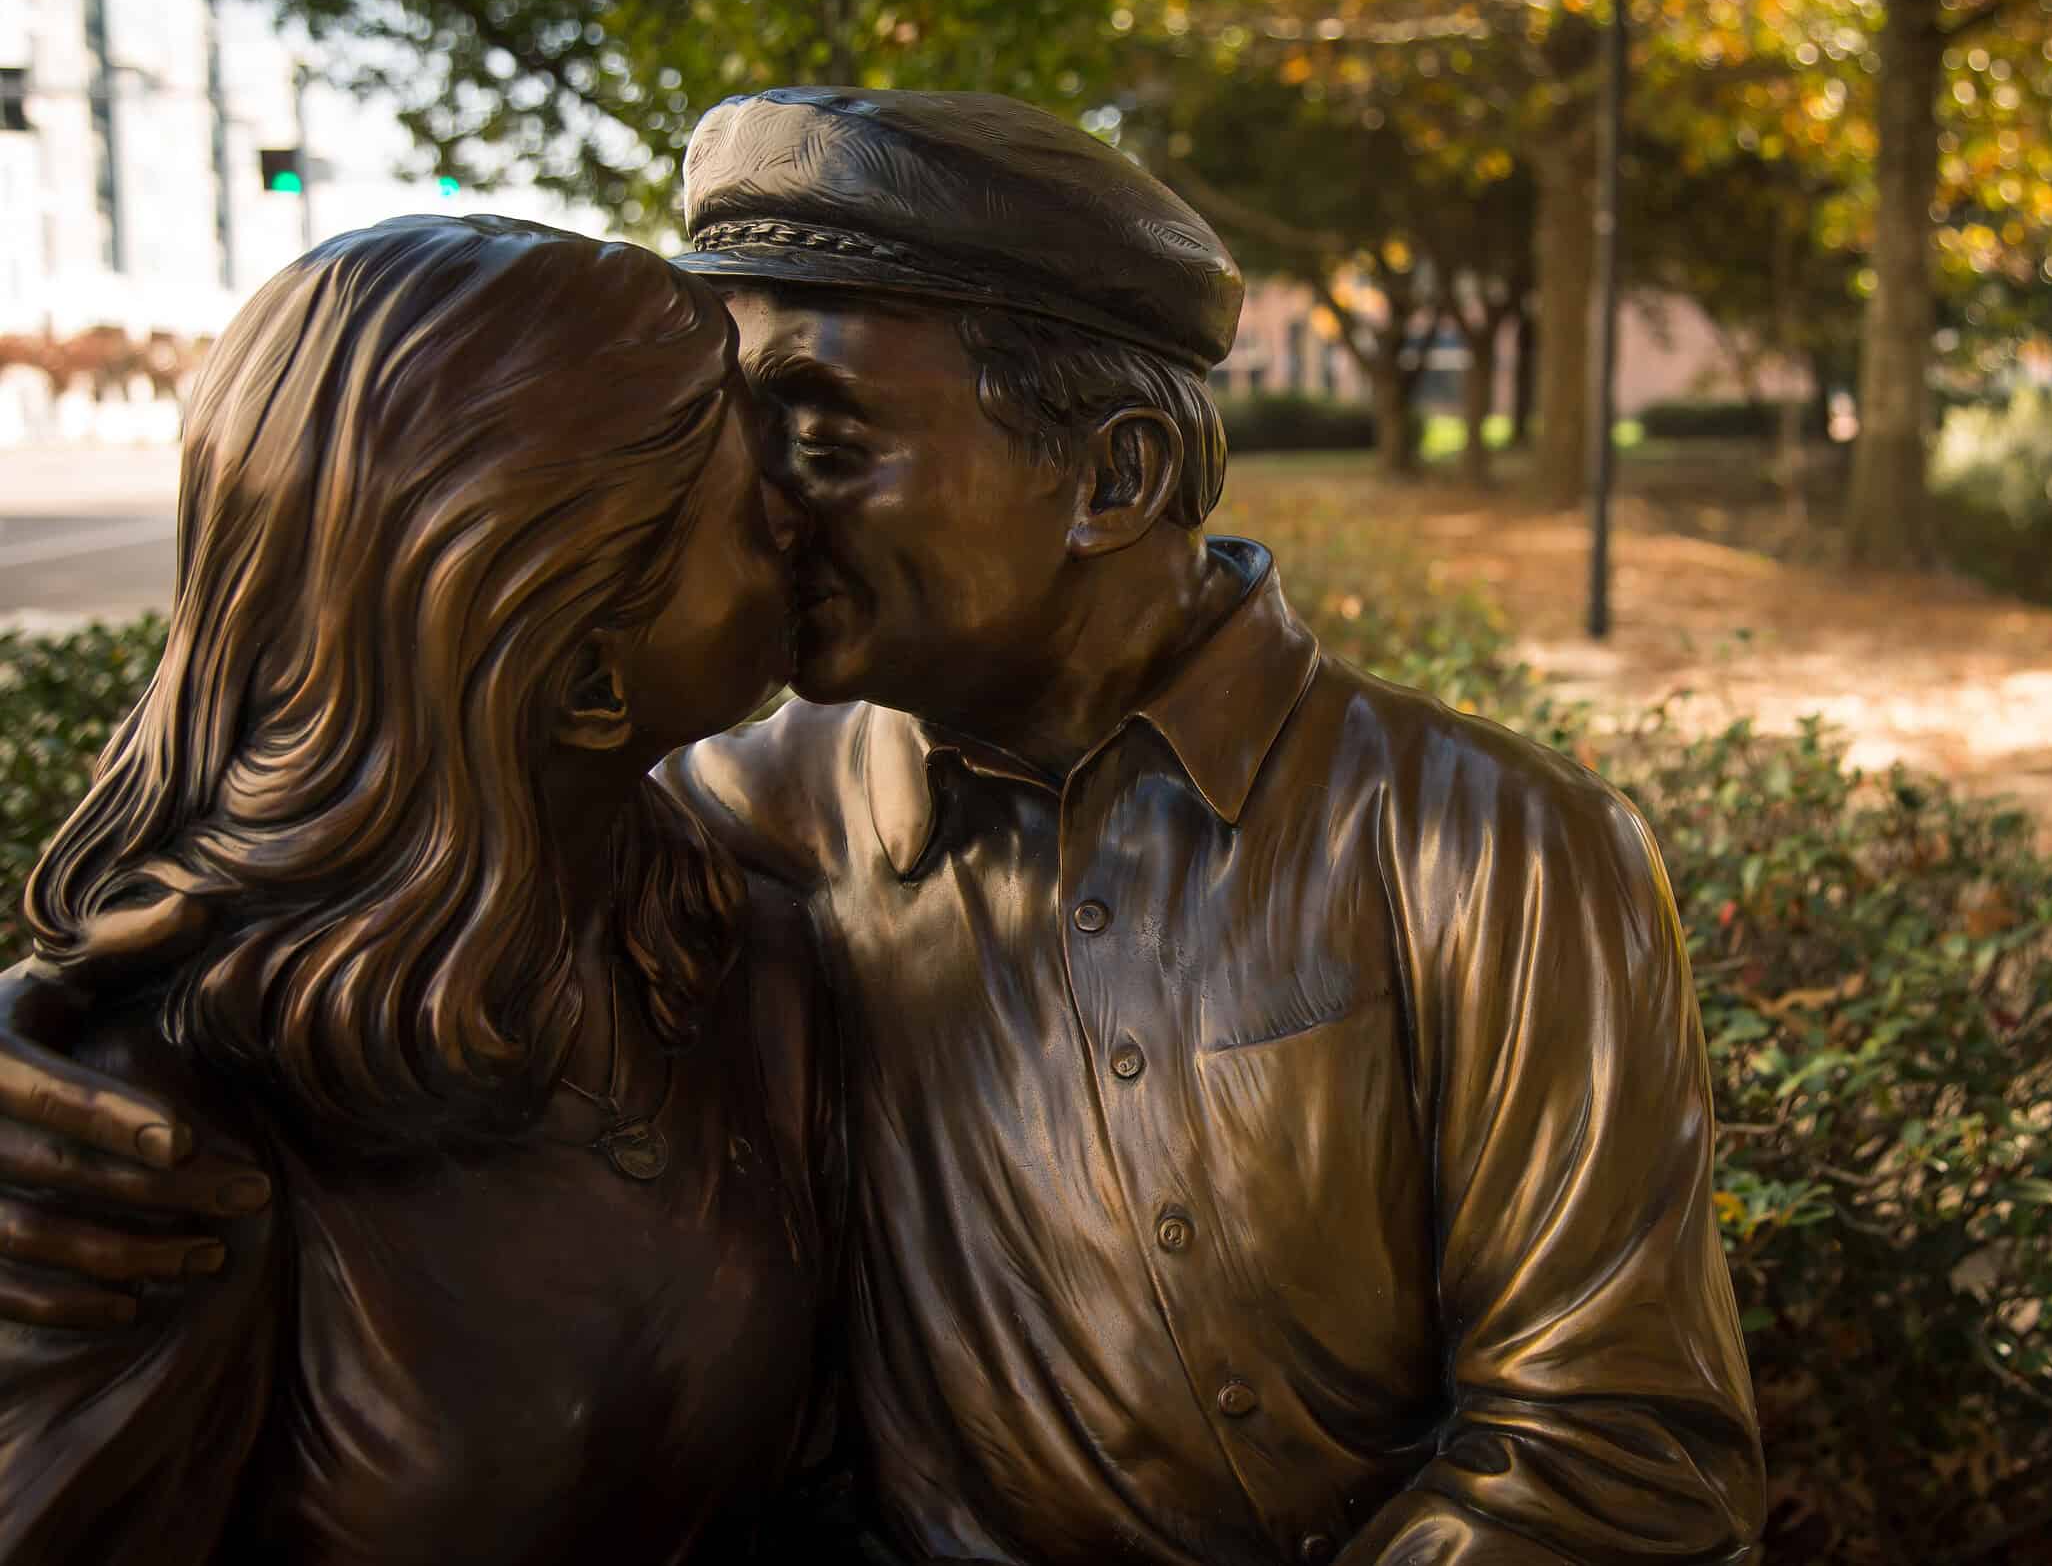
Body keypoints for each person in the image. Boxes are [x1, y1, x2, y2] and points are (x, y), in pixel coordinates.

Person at [0, 90, 1767, 1564]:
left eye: (823, 439)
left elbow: (1617, 1451)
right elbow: (342, 869)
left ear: (1114, 480)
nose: (759, 507)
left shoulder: (1495, 856)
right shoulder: (742, 831)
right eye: (737, 439)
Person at [0, 214, 844, 1565]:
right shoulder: (133, 1138)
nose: (802, 517)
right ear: (576, 667)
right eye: (744, 508)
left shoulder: (749, 966)